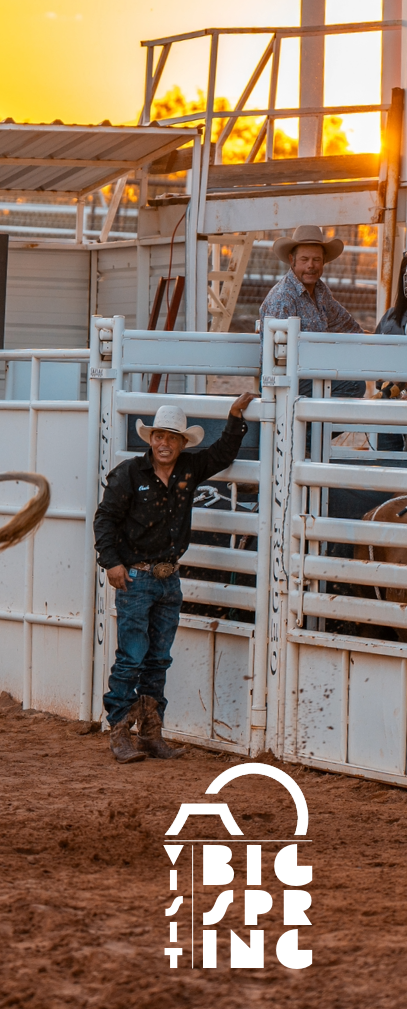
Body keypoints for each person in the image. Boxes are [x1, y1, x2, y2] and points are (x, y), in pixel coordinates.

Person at [93, 394, 256, 763]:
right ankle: (119, 732)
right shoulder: (129, 474)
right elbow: (104, 519)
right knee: (132, 657)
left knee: (158, 658)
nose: (163, 444)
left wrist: (234, 416)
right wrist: (112, 563)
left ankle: (151, 734)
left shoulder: (188, 469)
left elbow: (222, 454)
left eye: (171, 438)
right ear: (150, 440)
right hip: (136, 576)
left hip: (167, 577)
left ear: (182, 443)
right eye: (158, 437)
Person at [258, 224, 364, 399]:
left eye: (316, 260)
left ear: (323, 262)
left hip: (310, 372)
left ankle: (314, 424)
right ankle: (311, 426)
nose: (311, 265)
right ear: (292, 260)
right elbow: (280, 359)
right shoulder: (284, 297)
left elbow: (346, 324)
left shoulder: (321, 292)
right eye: (304, 259)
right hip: (283, 378)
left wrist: (366, 341)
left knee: (353, 378)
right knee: (353, 384)